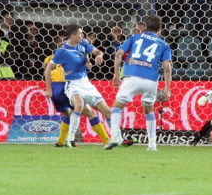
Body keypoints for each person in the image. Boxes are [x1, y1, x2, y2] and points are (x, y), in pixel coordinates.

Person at [108, 15, 172, 151]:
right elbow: (167, 67)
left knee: (117, 107)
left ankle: (115, 136)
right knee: (149, 109)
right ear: (160, 29)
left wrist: (116, 74)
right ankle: (152, 145)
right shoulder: (164, 45)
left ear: (146, 27)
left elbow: (119, 53)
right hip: (150, 80)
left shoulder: (134, 37)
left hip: (132, 76)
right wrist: (167, 89)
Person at [45, 24, 112, 148]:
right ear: (72, 36)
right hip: (72, 84)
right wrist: (48, 89)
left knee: (107, 112)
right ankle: (70, 139)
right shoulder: (62, 51)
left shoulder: (83, 44)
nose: (82, 35)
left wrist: (97, 56)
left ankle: (117, 139)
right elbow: (48, 68)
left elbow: (95, 52)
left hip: (85, 83)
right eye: (80, 33)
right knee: (79, 106)